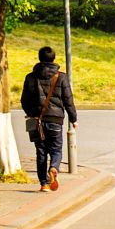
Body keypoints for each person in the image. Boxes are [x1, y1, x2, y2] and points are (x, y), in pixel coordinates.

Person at [20, 46, 79, 192]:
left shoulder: (30, 77)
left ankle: (44, 184)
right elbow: (68, 100)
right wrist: (73, 118)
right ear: (53, 59)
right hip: (56, 119)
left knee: (40, 151)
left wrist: (32, 112)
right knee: (56, 149)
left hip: (36, 120)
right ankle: (54, 167)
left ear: (39, 58)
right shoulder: (61, 77)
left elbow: (24, 100)